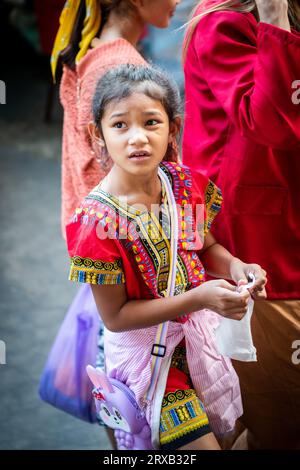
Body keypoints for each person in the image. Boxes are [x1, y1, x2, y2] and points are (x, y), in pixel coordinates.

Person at [66, 64, 267, 450]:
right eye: (120, 125)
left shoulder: (183, 185)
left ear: (173, 129)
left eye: (151, 123)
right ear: (97, 134)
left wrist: (237, 267)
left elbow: (205, 248)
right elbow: (116, 317)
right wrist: (199, 298)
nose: (137, 138)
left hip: (199, 347)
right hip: (147, 362)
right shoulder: (96, 222)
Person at [48, 0, 181, 446]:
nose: (178, 1)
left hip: (105, 253)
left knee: (123, 401)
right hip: (129, 260)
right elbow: (123, 176)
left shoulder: (95, 50)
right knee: (137, 399)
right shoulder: (123, 65)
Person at [182, 0, 300, 449]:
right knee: (272, 413)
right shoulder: (223, 20)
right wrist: (274, 18)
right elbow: (273, 123)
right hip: (255, 245)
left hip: (274, 231)